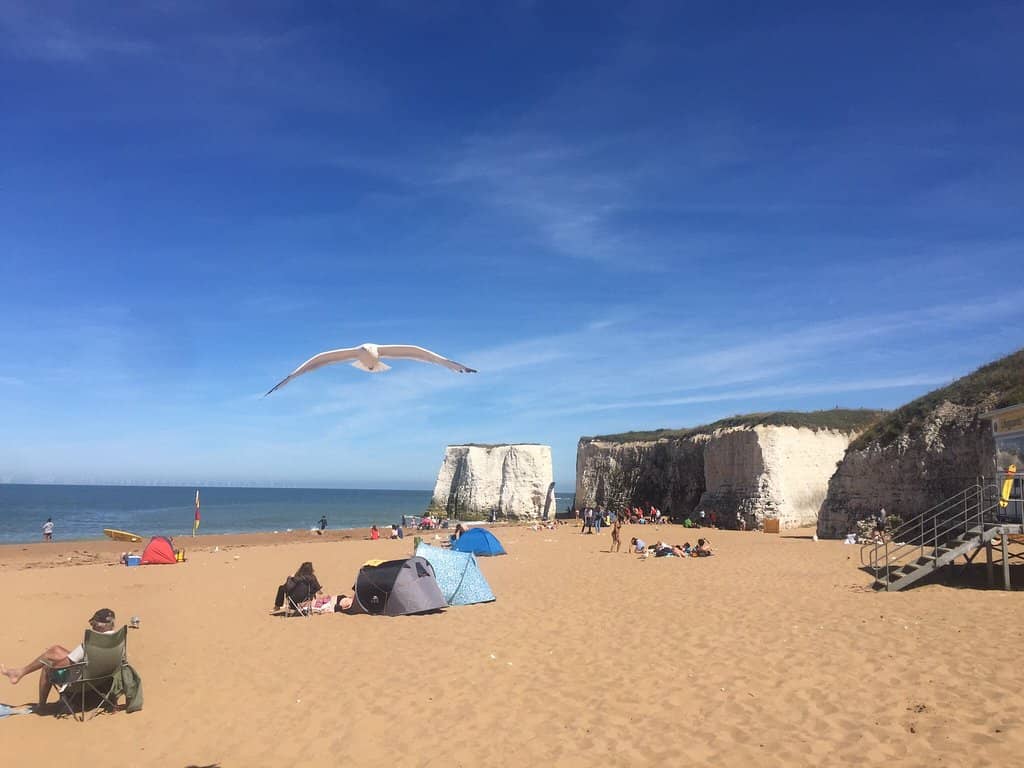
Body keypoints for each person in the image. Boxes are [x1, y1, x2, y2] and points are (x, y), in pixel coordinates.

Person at [2, 608, 117, 708]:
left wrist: (51, 667)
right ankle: (19, 672)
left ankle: (41, 706)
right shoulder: (117, 640)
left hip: (83, 684)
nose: (92, 627)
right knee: (55, 650)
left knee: (47, 665)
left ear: (98, 626)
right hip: (101, 678)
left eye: (93, 624)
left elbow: (65, 663)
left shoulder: (91, 643)